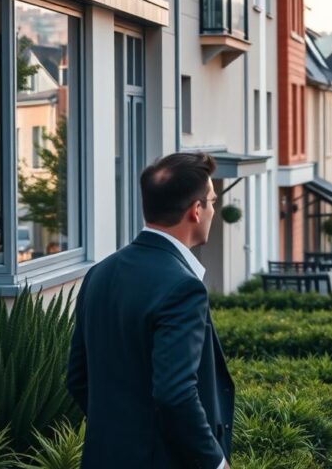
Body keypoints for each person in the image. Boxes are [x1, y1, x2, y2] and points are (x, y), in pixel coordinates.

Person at [67, 153, 234, 469]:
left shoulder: (98, 274)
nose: (214, 210)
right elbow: (176, 394)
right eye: (212, 202)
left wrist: (123, 432)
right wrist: (216, 463)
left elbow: (77, 378)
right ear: (196, 211)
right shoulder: (184, 288)